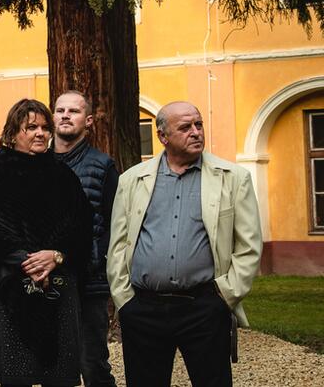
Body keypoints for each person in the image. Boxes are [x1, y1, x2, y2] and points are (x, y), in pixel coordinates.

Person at [108, 101, 262, 387]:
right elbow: (118, 243)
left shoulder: (233, 178)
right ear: (162, 136)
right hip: (143, 308)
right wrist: (124, 299)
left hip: (204, 307)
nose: (196, 132)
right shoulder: (132, 180)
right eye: (185, 127)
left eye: (198, 124)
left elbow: (249, 246)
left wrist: (225, 296)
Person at [0, 98, 93, 387]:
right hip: (6, 286)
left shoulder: (63, 176)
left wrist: (56, 255)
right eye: (31, 127)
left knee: (59, 378)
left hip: (57, 286)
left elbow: (81, 227)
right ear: (12, 134)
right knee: (16, 377)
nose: (40, 133)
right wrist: (28, 262)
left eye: (45, 128)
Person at [52, 91, 118, 387]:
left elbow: (115, 224)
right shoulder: (37, 161)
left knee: (93, 364)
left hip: (89, 283)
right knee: (54, 367)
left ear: (88, 121)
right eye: (60, 110)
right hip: (47, 281)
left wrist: (95, 259)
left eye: (74, 111)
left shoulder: (103, 166)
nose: (65, 115)